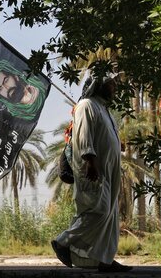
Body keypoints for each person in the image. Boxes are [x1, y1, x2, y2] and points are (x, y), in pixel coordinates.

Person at [51, 72, 133, 273]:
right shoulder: (86, 105)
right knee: (98, 210)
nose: (114, 87)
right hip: (93, 170)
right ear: (100, 84)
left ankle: (105, 259)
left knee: (110, 213)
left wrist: (116, 143)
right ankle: (63, 242)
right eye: (111, 83)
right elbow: (84, 135)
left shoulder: (103, 109)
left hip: (108, 170)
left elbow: (103, 135)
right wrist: (90, 160)